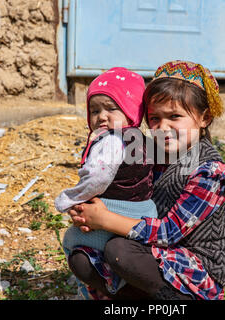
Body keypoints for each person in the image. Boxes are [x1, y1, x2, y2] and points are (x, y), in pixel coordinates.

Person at [67, 61, 225, 300]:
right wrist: (88, 209)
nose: (162, 127)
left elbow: (169, 233)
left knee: (119, 251)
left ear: (205, 118)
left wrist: (104, 219)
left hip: (194, 265)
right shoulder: (147, 152)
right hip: (152, 252)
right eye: (154, 118)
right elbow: (124, 193)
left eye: (174, 117)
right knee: (82, 260)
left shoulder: (210, 171)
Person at [55, 67, 158, 294]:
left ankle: (109, 286)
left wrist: (70, 198)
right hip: (144, 211)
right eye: (94, 110)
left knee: (72, 241)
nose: (101, 116)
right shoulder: (141, 139)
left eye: (111, 109)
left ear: (131, 110)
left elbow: (97, 179)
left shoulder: (111, 141)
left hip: (116, 209)